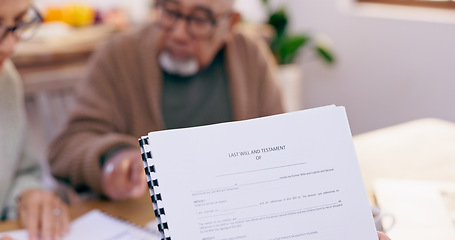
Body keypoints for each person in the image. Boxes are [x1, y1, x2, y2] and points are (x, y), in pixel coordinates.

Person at [0, 1, 69, 239]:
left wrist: (27, 195)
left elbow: (21, 171)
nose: (9, 47)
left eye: (19, 23)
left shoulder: (6, 80)